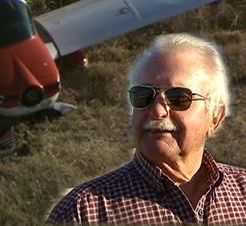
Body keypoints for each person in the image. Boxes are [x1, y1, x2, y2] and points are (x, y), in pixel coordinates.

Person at [46, 33, 246, 224]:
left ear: (215, 118)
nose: (158, 111)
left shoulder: (242, 192)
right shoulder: (83, 212)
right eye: (143, 96)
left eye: (178, 98)